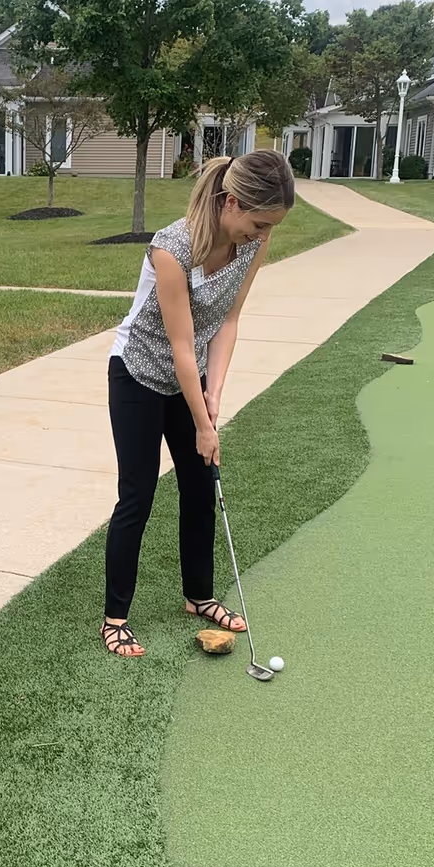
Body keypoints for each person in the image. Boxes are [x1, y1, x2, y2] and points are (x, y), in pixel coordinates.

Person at [101, 149, 295, 657]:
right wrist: (202, 422)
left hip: (192, 373)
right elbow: (181, 345)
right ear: (231, 202)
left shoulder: (253, 243)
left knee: (200, 485)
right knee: (137, 495)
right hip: (139, 373)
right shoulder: (172, 249)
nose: (261, 233)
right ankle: (115, 615)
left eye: (269, 226)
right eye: (257, 222)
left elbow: (227, 322)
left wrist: (214, 395)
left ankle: (199, 595)